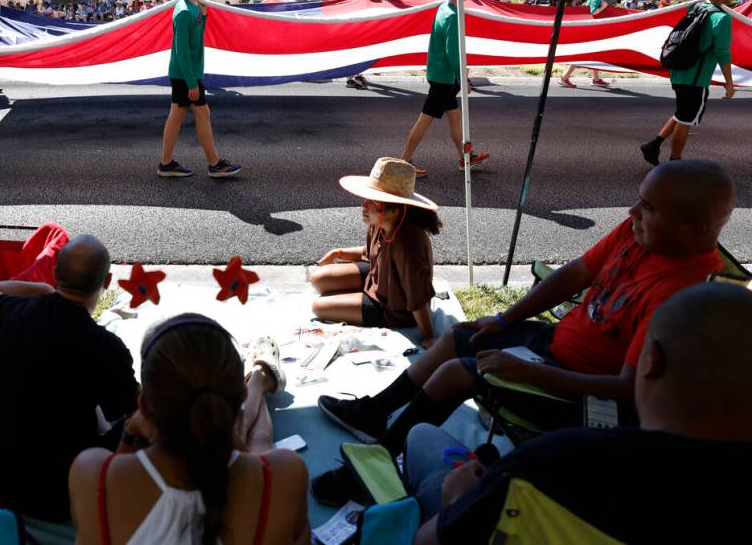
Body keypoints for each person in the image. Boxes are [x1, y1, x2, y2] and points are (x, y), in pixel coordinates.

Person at [310, 160, 734, 506]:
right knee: (458, 337)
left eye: (647, 208)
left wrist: (528, 373)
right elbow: (575, 274)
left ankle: (378, 459)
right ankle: (374, 412)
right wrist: (506, 319)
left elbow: (627, 390)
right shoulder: (637, 233)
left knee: (457, 371)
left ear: (694, 227)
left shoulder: (684, 294)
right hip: (554, 345)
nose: (631, 214)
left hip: (577, 389)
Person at [409, 282, 752, 544]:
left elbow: (430, 541)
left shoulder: (562, 461)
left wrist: (458, 497)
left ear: (651, 362)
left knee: (422, 438)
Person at [69, 313, 310, 545]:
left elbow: (112, 486)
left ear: (143, 407)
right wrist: (228, 434)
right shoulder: (285, 475)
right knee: (261, 445)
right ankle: (258, 378)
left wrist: (130, 433)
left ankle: (259, 379)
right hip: (241, 445)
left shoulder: (90, 473)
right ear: (241, 398)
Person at [0, 235, 139, 523]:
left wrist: (39, 289)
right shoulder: (106, 348)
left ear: (54, 275)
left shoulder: (16, 312)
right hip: (60, 493)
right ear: (107, 281)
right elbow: (135, 414)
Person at [311, 158, 439, 346]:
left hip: (393, 307)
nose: (364, 205)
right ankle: (358, 293)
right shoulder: (380, 222)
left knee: (318, 306)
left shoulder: (408, 244)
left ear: (393, 208)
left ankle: (361, 299)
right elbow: (373, 252)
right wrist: (338, 253)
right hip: (378, 277)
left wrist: (428, 336)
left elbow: (417, 298)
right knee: (318, 278)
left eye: (372, 201)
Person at [640, 0, 742, 165]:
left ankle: (654, 145)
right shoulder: (722, 19)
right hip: (696, 78)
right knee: (686, 120)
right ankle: (675, 164)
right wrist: (730, 84)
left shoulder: (698, 6)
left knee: (682, 113)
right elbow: (723, 54)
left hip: (679, 72)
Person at [400, 0, 489, 179]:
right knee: (425, 119)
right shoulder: (453, 16)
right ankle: (403, 164)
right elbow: (453, 53)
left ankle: (464, 158)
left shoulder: (443, 8)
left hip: (440, 73)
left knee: (455, 116)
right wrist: (464, 79)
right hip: (444, 77)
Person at [157, 0, 241, 179]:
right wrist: (192, 82)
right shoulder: (183, 11)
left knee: (177, 116)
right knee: (201, 113)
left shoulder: (192, 6)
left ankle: (166, 164)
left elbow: (195, 40)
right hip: (186, 74)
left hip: (185, 73)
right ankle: (214, 164)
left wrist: (203, 18)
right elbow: (181, 51)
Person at [559, 0, 612, 88]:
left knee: (595, 55)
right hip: (590, 32)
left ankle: (596, 79)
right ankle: (565, 78)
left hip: (590, 30)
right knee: (581, 56)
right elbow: (593, 12)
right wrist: (604, 7)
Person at [346, 0, 380, 90]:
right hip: (358, 35)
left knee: (361, 56)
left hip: (364, 34)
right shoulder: (360, 2)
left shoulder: (369, 1)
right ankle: (353, 78)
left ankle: (356, 77)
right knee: (358, 57)